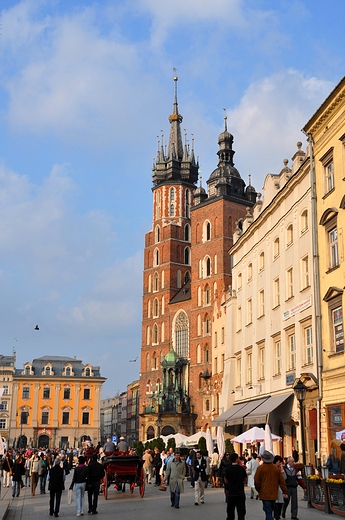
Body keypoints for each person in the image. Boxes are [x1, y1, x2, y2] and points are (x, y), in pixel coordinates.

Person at [254, 450, 288, 520]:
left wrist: (259, 490)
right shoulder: (276, 469)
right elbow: (282, 481)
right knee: (270, 509)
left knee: (268, 511)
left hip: (264, 493)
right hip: (274, 493)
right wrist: (284, 491)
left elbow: (257, 481)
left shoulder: (260, 468)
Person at [224, 452, 247, 520]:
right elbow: (246, 480)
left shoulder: (228, 469)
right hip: (240, 492)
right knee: (241, 511)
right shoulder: (241, 469)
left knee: (230, 511)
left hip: (231, 492)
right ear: (237, 459)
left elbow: (226, 480)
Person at [272, 455, 286, 520]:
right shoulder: (272, 468)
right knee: (275, 502)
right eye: (279, 462)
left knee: (280, 502)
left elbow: (285, 478)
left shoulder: (280, 469)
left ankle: (278, 515)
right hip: (274, 487)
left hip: (280, 488)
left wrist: (282, 471)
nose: (280, 463)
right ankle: (276, 515)